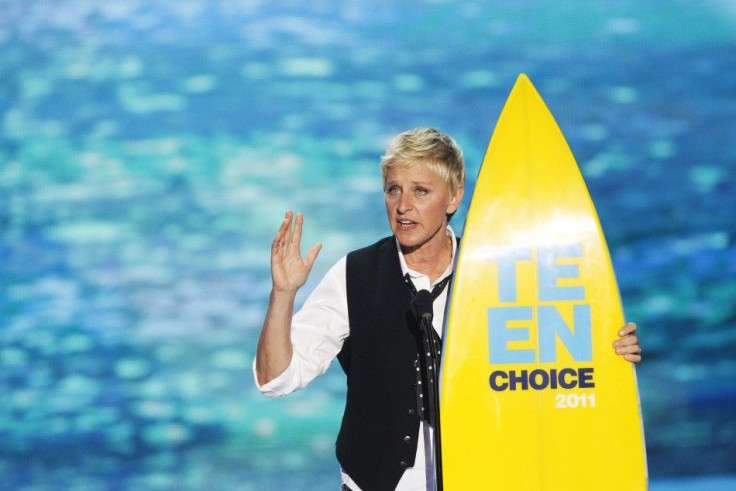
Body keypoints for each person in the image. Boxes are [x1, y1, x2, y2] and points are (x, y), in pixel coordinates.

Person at [254, 127, 642, 491]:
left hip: (482, 475)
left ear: (454, 197)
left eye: (421, 191)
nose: (403, 206)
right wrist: (283, 294)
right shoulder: (354, 276)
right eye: (393, 190)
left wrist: (611, 352)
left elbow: (559, 361)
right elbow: (277, 379)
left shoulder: (497, 273)